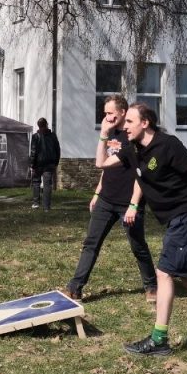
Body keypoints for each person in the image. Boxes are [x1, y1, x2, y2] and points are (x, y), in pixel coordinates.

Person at [96, 103, 187, 356]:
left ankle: (159, 340)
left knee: (164, 273)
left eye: (130, 122)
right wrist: (104, 135)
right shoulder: (132, 149)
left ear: (145, 123)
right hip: (176, 218)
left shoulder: (168, 145)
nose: (125, 126)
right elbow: (102, 163)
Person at [63, 95, 157, 302]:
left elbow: (141, 176)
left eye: (110, 113)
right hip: (106, 200)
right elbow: (103, 165)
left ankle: (151, 286)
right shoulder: (110, 132)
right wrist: (97, 193)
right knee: (91, 243)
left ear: (123, 112)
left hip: (128, 203)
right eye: (105, 113)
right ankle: (75, 288)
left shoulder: (133, 135)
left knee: (138, 246)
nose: (107, 117)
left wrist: (134, 205)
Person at [29, 117, 60, 211]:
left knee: (36, 182)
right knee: (47, 185)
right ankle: (46, 207)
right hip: (50, 164)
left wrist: (32, 164)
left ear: (38, 126)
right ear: (46, 124)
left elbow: (33, 151)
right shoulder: (53, 136)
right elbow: (57, 150)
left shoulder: (35, 136)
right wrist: (56, 162)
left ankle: (36, 203)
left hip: (38, 164)